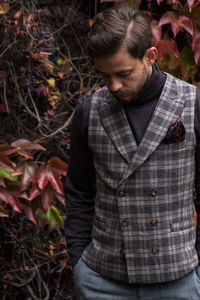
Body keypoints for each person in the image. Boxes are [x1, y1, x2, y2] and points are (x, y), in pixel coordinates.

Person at [64, 3, 200, 299]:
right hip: (102, 279)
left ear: (150, 56)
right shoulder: (89, 112)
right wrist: (79, 262)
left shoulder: (193, 104)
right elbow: (79, 191)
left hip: (178, 278)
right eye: (104, 76)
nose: (113, 85)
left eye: (123, 74)